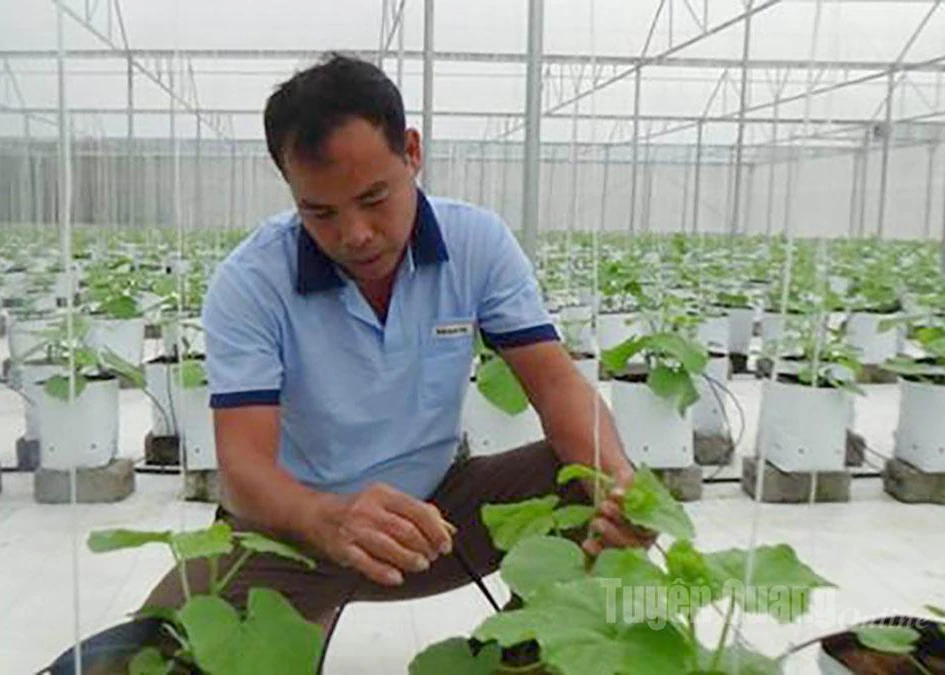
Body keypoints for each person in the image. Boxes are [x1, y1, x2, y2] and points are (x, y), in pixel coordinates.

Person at [144, 53, 651, 636]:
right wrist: (325, 519)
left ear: (412, 151)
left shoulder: (476, 243)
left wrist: (618, 487)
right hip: (293, 530)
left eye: (374, 198)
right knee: (137, 654)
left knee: (583, 481)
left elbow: (557, 385)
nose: (354, 234)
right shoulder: (252, 281)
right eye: (320, 211)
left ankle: (531, 653)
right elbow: (244, 470)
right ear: (291, 190)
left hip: (436, 515)